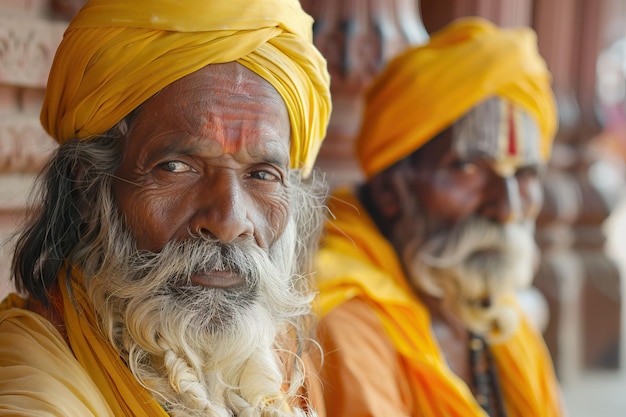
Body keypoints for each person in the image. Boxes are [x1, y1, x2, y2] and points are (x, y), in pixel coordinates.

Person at [0, 0, 331, 416]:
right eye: (176, 167)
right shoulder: (32, 393)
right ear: (88, 186)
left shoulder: (271, 356)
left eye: (262, 174)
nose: (229, 221)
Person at [314, 17, 565, 417]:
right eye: (468, 168)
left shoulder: (492, 311)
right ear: (390, 189)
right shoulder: (345, 319)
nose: (507, 207)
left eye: (525, 173)